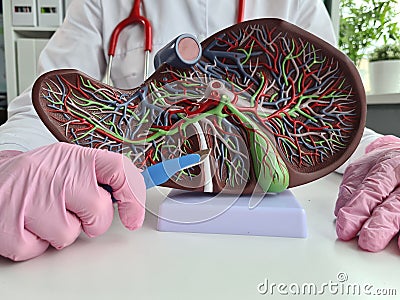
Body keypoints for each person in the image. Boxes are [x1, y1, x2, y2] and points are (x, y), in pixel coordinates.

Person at [0, 0, 399, 261]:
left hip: (279, 257)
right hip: (134, 241)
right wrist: (9, 160)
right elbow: (38, 108)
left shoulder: (295, 2)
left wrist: (382, 151)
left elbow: (335, 114)